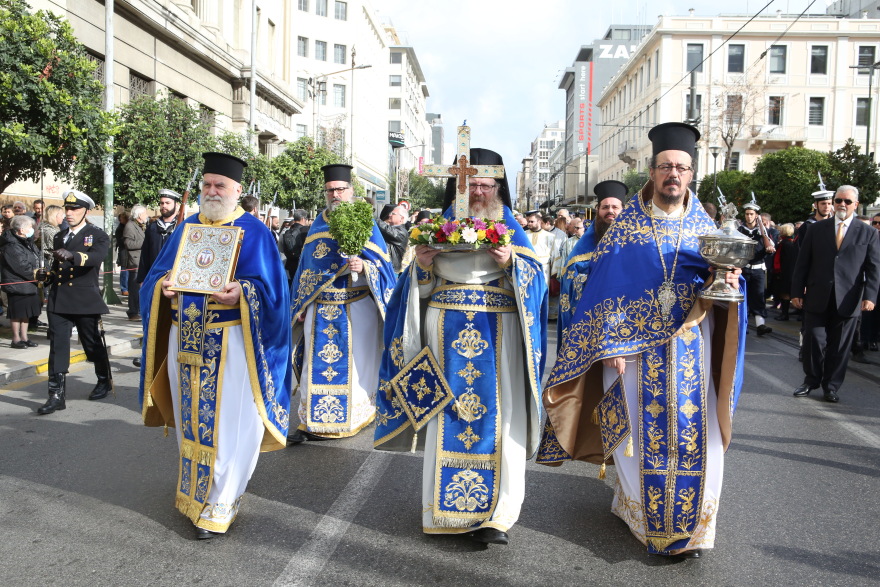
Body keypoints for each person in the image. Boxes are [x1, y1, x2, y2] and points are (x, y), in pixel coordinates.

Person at [541, 122, 746, 558]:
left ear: (692, 175)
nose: (674, 174)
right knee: (638, 430)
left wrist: (730, 282)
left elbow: (722, 290)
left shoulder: (707, 230)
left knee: (697, 429)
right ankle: (642, 515)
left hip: (691, 345)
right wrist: (610, 345)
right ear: (652, 172)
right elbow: (606, 289)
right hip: (632, 352)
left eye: (682, 168)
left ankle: (693, 528)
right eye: (666, 166)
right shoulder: (625, 229)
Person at [374, 147, 548, 546]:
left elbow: (535, 281)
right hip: (444, 333)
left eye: (487, 185)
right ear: (457, 186)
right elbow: (412, 292)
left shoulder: (510, 229)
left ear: (499, 188)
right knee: (446, 414)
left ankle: (496, 515)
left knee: (500, 421)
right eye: (472, 185)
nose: (480, 193)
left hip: (498, 332)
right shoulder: (437, 228)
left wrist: (512, 265)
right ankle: (444, 510)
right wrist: (421, 266)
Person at [138, 152, 292, 540]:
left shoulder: (254, 231)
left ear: (237, 191)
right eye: (207, 184)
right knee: (192, 421)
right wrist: (163, 288)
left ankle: (222, 501)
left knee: (230, 424)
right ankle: (194, 493)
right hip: (184, 339)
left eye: (219, 185)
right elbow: (155, 277)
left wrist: (244, 292)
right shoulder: (187, 226)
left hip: (232, 344)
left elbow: (274, 294)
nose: (211, 191)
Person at [289, 164, 396, 443]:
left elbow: (383, 266)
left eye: (340, 189)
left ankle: (353, 416)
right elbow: (305, 267)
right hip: (319, 307)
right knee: (317, 366)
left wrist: (364, 266)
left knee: (355, 367)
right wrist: (300, 304)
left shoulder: (365, 221)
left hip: (356, 307)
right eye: (330, 190)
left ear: (351, 190)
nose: (335, 194)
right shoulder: (318, 223)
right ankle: (314, 420)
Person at [791, 185, 880, 403]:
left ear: (856, 205)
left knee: (839, 347)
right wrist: (795, 291)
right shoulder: (816, 229)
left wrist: (870, 296)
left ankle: (831, 386)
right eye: (838, 200)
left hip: (848, 299)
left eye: (847, 202)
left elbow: (874, 267)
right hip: (817, 295)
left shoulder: (868, 232)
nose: (842, 204)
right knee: (813, 339)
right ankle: (811, 380)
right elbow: (802, 263)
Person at [36, 190, 112, 415]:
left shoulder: (97, 235)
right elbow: (58, 269)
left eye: (75, 209)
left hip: (84, 299)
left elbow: (98, 257)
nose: (69, 213)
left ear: (86, 211)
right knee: (58, 346)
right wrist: (47, 276)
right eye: (67, 209)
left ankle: (103, 379)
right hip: (60, 300)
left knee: (91, 343)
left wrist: (74, 256)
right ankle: (56, 395)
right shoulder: (60, 236)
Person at [553, 180, 625, 343]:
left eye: (615, 207)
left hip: (624, 323)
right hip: (588, 323)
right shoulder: (583, 248)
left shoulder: (636, 243)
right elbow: (569, 281)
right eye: (605, 207)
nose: (610, 212)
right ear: (598, 210)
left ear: (623, 211)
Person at [1, 215, 41, 348]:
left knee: (26, 313)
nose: (32, 230)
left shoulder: (27, 242)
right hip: (17, 284)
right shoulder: (11, 245)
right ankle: (16, 339)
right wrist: (36, 275)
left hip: (29, 284)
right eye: (30, 227)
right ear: (22, 229)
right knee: (17, 313)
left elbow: (37, 257)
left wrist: (43, 271)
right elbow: (20, 266)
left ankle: (24, 337)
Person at [737, 200, 772, 336]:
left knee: (758, 296)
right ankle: (743, 325)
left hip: (758, 269)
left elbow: (771, 245)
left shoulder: (763, 231)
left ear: (756, 215)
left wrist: (769, 247)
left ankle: (760, 325)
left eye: (751, 214)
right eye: (747, 214)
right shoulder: (740, 230)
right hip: (744, 269)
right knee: (743, 297)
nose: (749, 217)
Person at [135, 189, 181, 285]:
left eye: (168, 203)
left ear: (176, 205)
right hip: (154, 278)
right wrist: (142, 279)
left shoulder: (182, 227)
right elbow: (145, 255)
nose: (164, 206)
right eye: (162, 203)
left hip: (175, 279)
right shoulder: (153, 227)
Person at [123, 205, 148, 321]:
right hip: (134, 262)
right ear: (139, 215)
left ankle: (139, 310)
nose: (147, 215)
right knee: (134, 289)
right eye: (145, 213)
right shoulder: (130, 226)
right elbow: (128, 244)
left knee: (140, 288)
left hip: (141, 261)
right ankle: (133, 312)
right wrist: (145, 242)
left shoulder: (141, 226)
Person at [772, 223, 797, 321]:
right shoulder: (792, 243)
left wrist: (778, 272)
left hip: (784, 273)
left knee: (784, 294)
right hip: (790, 272)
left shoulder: (784, 244)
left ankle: (784, 314)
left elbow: (779, 260)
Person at [377, 204, 409, 273]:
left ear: (402, 218)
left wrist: (370, 217)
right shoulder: (393, 229)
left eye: (393, 214)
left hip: (392, 270)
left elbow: (385, 228)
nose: (389, 215)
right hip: (385, 268)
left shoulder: (402, 232)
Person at [281, 209, 309, 280]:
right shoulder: (307, 230)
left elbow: (282, 249)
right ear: (303, 219)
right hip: (303, 265)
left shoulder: (287, 231)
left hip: (290, 266)